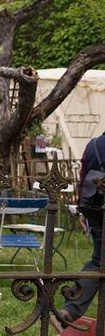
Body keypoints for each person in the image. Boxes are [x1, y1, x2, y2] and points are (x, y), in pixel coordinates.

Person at [53, 131, 105, 331]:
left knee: (99, 262)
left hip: (95, 211)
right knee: (99, 263)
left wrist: (83, 211)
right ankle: (70, 311)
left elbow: (83, 181)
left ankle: (70, 312)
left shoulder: (93, 145)